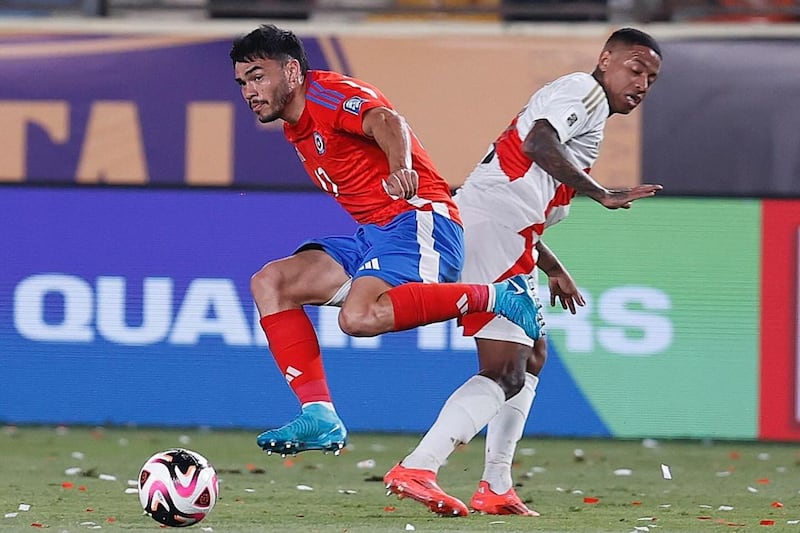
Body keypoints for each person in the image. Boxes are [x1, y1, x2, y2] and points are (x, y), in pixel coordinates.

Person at [383, 27, 664, 517]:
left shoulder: (589, 112)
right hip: (495, 226)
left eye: (652, 78)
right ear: (606, 59)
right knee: (506, 369)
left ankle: (495, 484)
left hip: (512, 233)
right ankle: (419, 466)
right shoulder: (583, 90)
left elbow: (531, 188)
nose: (642, 83)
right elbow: (537, 143)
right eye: (635, 68)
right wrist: (601, 193)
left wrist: (553, 266)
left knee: (533, 356)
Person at [229, 24, 546, 457]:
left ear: (292, 71)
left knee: (358, 319)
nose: (249, 90)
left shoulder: (326, 93)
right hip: (376, 235)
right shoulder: (295, 125)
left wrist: (401, 168)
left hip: (418, 220)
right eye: (243, 82)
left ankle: (497, 295)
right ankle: (320, 415)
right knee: (271, 282)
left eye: (258, 76)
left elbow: (385, 119)